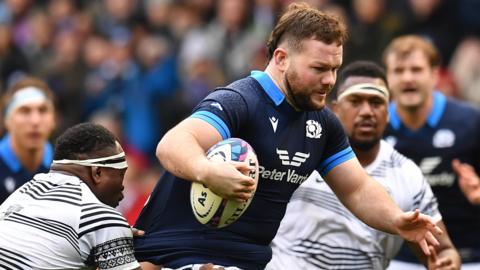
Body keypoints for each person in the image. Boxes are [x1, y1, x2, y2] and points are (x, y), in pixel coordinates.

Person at [134, 4, 442, 270]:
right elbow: (173, 144)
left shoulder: (322, 124)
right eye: (319, 68)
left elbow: (358, 189)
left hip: (248, 260)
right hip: (179, 253)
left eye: (335, 69)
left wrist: (396, 220)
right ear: (281, 59)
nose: (330, 81)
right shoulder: (240, 101)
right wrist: (208, 171)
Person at [267, 61, 460, 270]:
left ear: (388, 112)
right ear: (336, 109)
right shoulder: (299, 153)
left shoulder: (408, 175)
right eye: (356, 101)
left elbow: (443, 251)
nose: (367, 111)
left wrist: (445, 263)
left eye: (376, 102)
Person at [382, 35, 480, 269]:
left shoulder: (470, 122)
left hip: (471, 255)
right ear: (387, 77)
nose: (407, 78)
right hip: (400, 259)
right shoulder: (374, 126)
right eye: (398, 70)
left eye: (416, 69)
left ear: (435, 74)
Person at [0, 123, 141, 269]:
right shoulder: (101, 217)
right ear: (97, 173)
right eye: (121, 175)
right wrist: (112, 231)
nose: (122, 189)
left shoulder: (24, 191)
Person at [0, 77, 56, 203]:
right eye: (24, 111)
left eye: (43, 110)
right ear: (7, 121)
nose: (35, 121)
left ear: (54, 120)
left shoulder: (67, 169)